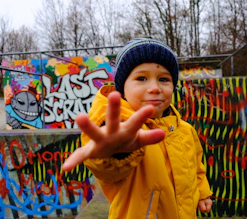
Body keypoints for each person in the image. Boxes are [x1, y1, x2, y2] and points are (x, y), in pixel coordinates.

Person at [62, 38, 213, 218]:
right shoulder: (123, 130)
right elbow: (109, 170)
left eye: (164, 79)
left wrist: (203, 192)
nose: (155, 88)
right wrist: (114, 151)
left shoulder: (185, 129)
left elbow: (197, 167)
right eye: (141, 78)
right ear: (123, 88)